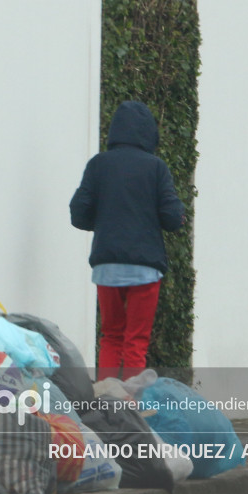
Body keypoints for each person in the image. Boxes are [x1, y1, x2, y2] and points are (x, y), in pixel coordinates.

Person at [69, 100, 184, 382]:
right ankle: (131, 410)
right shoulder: (156, 168)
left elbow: (78, 213)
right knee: (136, 341)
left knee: (111, 336)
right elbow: (172, 216)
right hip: (145, 269)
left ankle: (106, 406)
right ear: (149, 133)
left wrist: (103, 223)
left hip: (107, 266)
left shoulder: (98, 165)